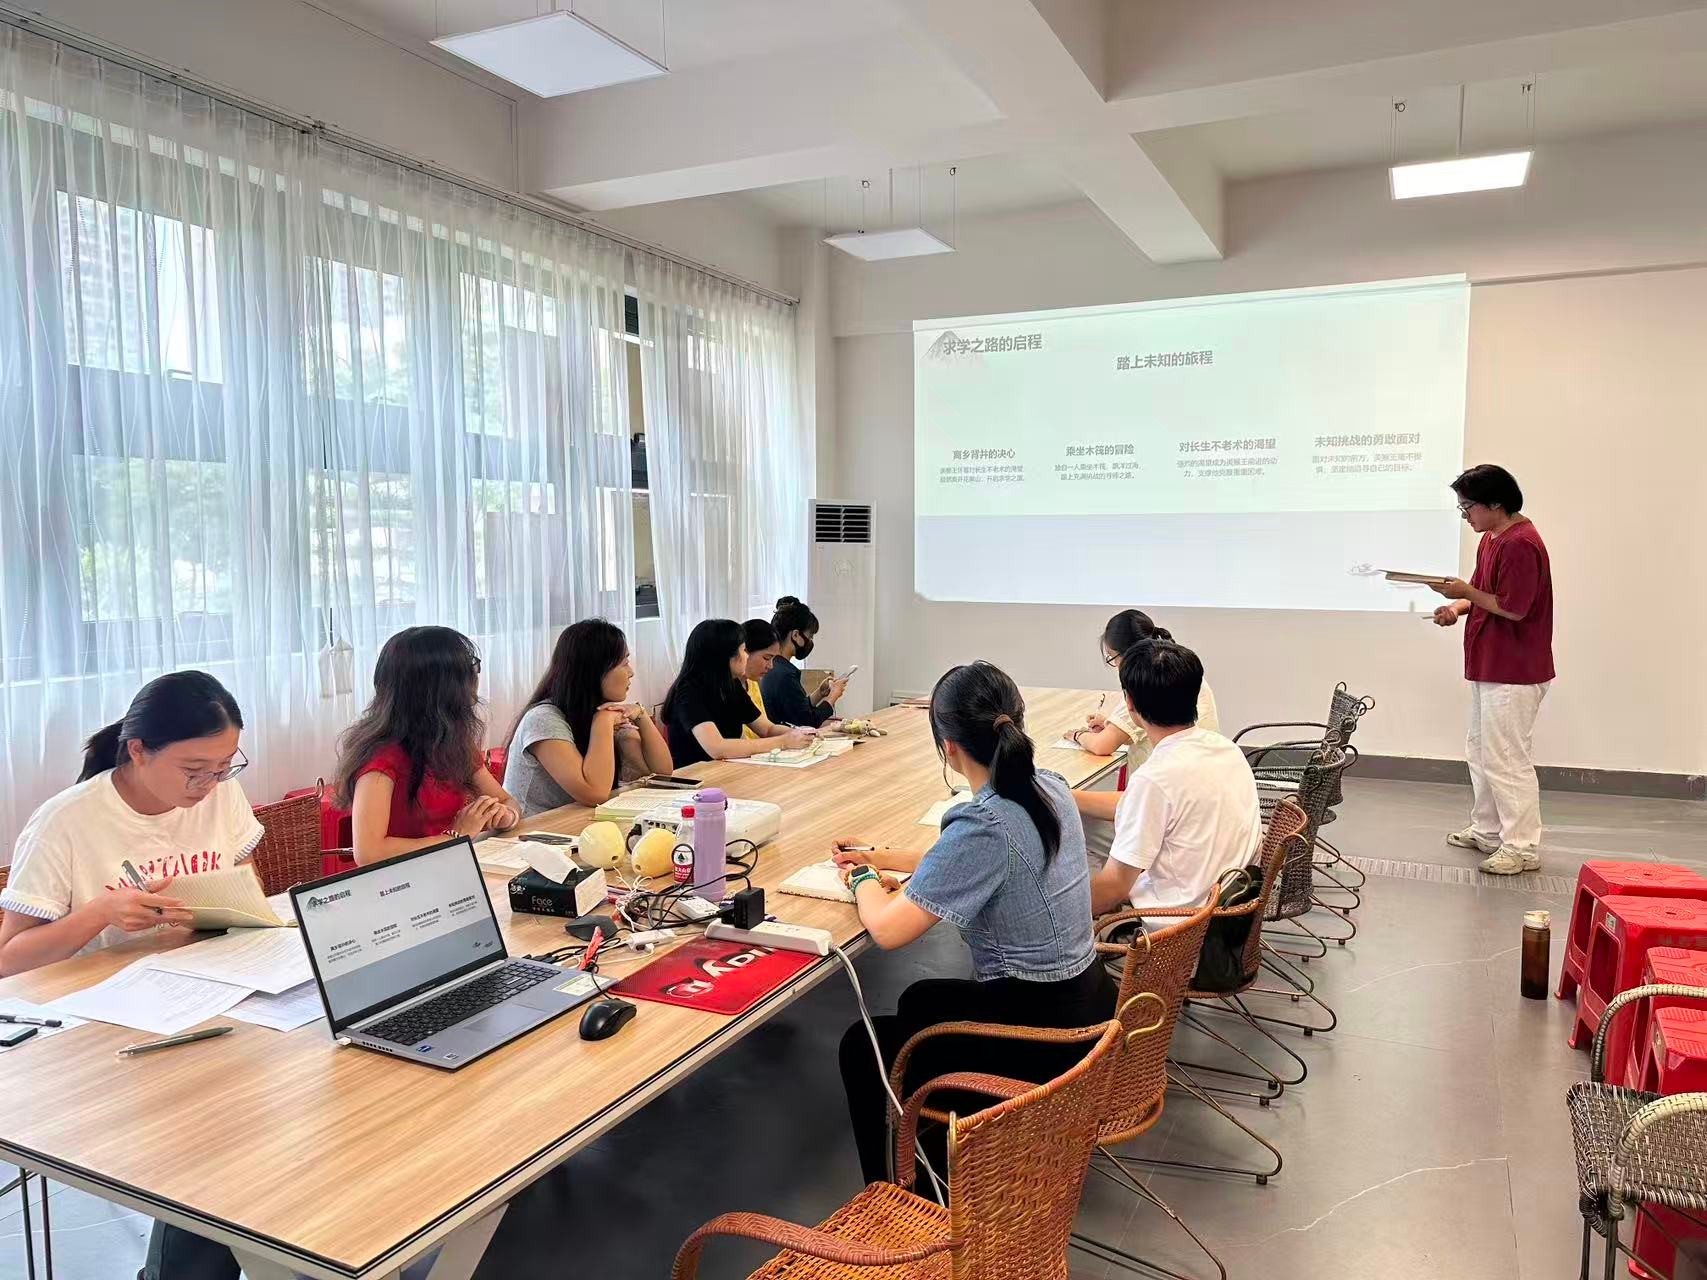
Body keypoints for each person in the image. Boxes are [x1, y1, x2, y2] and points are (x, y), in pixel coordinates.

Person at [0, 671, 262, 1280]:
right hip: (101, 1030)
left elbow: (245, 891)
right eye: (194, 770)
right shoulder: (67, 821)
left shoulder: (220, 795)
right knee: (213, 1145)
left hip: (204, 998)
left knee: (256, 1122)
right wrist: (98, 914)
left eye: (225, 768)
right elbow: (8, 958)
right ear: (138, 750)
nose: (210, 785)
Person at [830, 660, 1114, 1184]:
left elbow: (888, 930)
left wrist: (862, 878)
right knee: (920, 1000)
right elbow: (983, 859)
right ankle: (932, 1153)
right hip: (1089, 1000)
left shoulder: (982, 822)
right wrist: (885, 856)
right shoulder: (1050, 788)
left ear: (948, 747)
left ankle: (900, 1195)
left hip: (1038, 1037)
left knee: (862, 1046)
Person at [1428, 464, 1555, 875]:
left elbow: (1514, 609)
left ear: (1496, 504)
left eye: (1468, 507)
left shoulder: (1521, 544)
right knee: (1481, 750)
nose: (1465, 515)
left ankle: (1521, 846)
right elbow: (1483, 593)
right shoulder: (1492, 538)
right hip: (1490, 663)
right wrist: (1456, 606)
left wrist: (1465, 592)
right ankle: (1488, 830)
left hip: (1514, 669)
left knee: (1507, 757)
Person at [1084, 640, 1263, 917]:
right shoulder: (1226, 749)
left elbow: (1114, 888)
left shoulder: (1154, 779)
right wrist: (1068, 797)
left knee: (1080, 837)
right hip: (1228, 906)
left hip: (1174, 924)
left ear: (1129, 703)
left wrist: (1054, 916)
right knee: (1088, 824)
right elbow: (1144, 803)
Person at [334, 626, 520, 864]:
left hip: (444, 864)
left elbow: (507, 801)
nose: (476, 680)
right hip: (401, 879)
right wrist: (455, 836)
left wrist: (505, 817)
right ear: (442, 690)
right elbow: (369, 853)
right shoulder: (382, 758)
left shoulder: (453, 743)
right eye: (468, 670)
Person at [1069, 610, 1221, 830]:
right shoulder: (1228, 753)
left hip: (1161, 819)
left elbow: (1103, 747)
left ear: (1130, 702)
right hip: (1199, 812)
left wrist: (1062, 794)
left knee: (1080, 824)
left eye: (1112, 658)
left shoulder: (1154, 780)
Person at [503, 620, 673, 814]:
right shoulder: (543, 719)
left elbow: (662, 773)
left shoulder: (600, 710)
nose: (631, 673)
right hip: (535, 829)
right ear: (595, 670)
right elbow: (595, 793)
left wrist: (641, 715)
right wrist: (603, 722)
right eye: (624, 663)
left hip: (577, 822)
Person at [660, 619, 813, 767]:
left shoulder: (730, 685)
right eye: (744, 650)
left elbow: (767, 729)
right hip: (697, 776)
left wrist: (801, 733)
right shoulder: (688, 691)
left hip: (726, 770)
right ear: (725, 655)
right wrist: (782, 742)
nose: (747, 656)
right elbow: (717, 748)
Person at [759, 596, 847, 729]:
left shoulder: (777, 667)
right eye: (810, 636)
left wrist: (819, 693)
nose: (810, 641)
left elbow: (798, 709)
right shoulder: (785, 674)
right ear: (795, 635)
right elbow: (808, 721)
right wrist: (833, 696)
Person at [740, 618, 782, 738]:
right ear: (744, 652)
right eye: (766, 658)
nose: (770, 666)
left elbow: (767, 729)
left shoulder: (752, 682)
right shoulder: (726, 689)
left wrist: (799, 733)